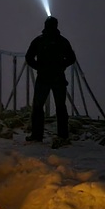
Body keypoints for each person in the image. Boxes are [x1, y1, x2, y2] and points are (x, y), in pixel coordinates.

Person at [25, 16, 76, 145]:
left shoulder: (40, 41)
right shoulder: (62, 41)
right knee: (59, 107)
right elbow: (71, 58)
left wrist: (39, 67)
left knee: (39, 107)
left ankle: (37, 135)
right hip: (56, 77)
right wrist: (61, 66)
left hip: (45, 77)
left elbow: (29, 57)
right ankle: (62, 135)